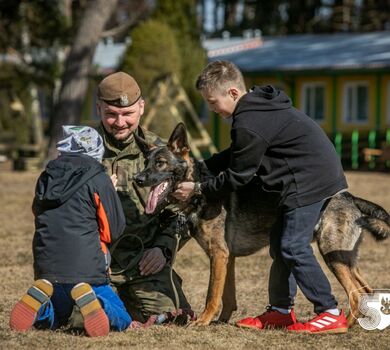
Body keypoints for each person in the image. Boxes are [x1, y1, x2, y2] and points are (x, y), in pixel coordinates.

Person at [173, 60, 349, 334]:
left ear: (232, 93)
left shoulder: (250, 120)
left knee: (292, 245)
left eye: (212, 101)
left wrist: (198, 188)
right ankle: (280, 312)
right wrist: (204, 167)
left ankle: (329, 312)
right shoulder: (255, 107)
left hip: (309, 179)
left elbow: (238, 176)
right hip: (305, 175)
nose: (211, 109)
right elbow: (238, 152)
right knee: (279, 245)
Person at [9, 126, 132, 337]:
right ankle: (99, 304)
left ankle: (41, 308)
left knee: (57, 317)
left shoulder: (46, 177)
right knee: (123, 316)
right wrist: (109, 190)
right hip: (88, 272)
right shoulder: (99, 179)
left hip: (47, 271)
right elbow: (114, 229)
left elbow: (38, 214)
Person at [96, 71, 192, 324]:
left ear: (141, 107)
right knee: (81, 319)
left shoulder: (161, 153)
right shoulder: (82, 151)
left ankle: (128, 303)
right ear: (98, 109)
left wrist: (164, 247)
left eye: (127, 114)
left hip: (145, 264)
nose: (119, 122)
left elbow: (183, 212)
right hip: (96, 264)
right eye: (111, 114)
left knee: (173, 318)